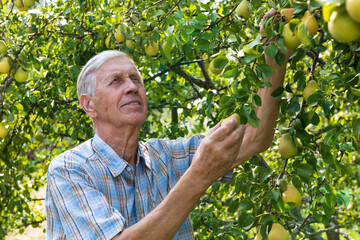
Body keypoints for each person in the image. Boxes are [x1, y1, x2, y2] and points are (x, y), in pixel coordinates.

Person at [45, 10, 291, 240]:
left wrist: (275, 57)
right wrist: (198, 177)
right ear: (89, 105)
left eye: (135, 79)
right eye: (116, 81)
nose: (131, 87)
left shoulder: (164, 157)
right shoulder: (70, 170)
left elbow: (254, 139)